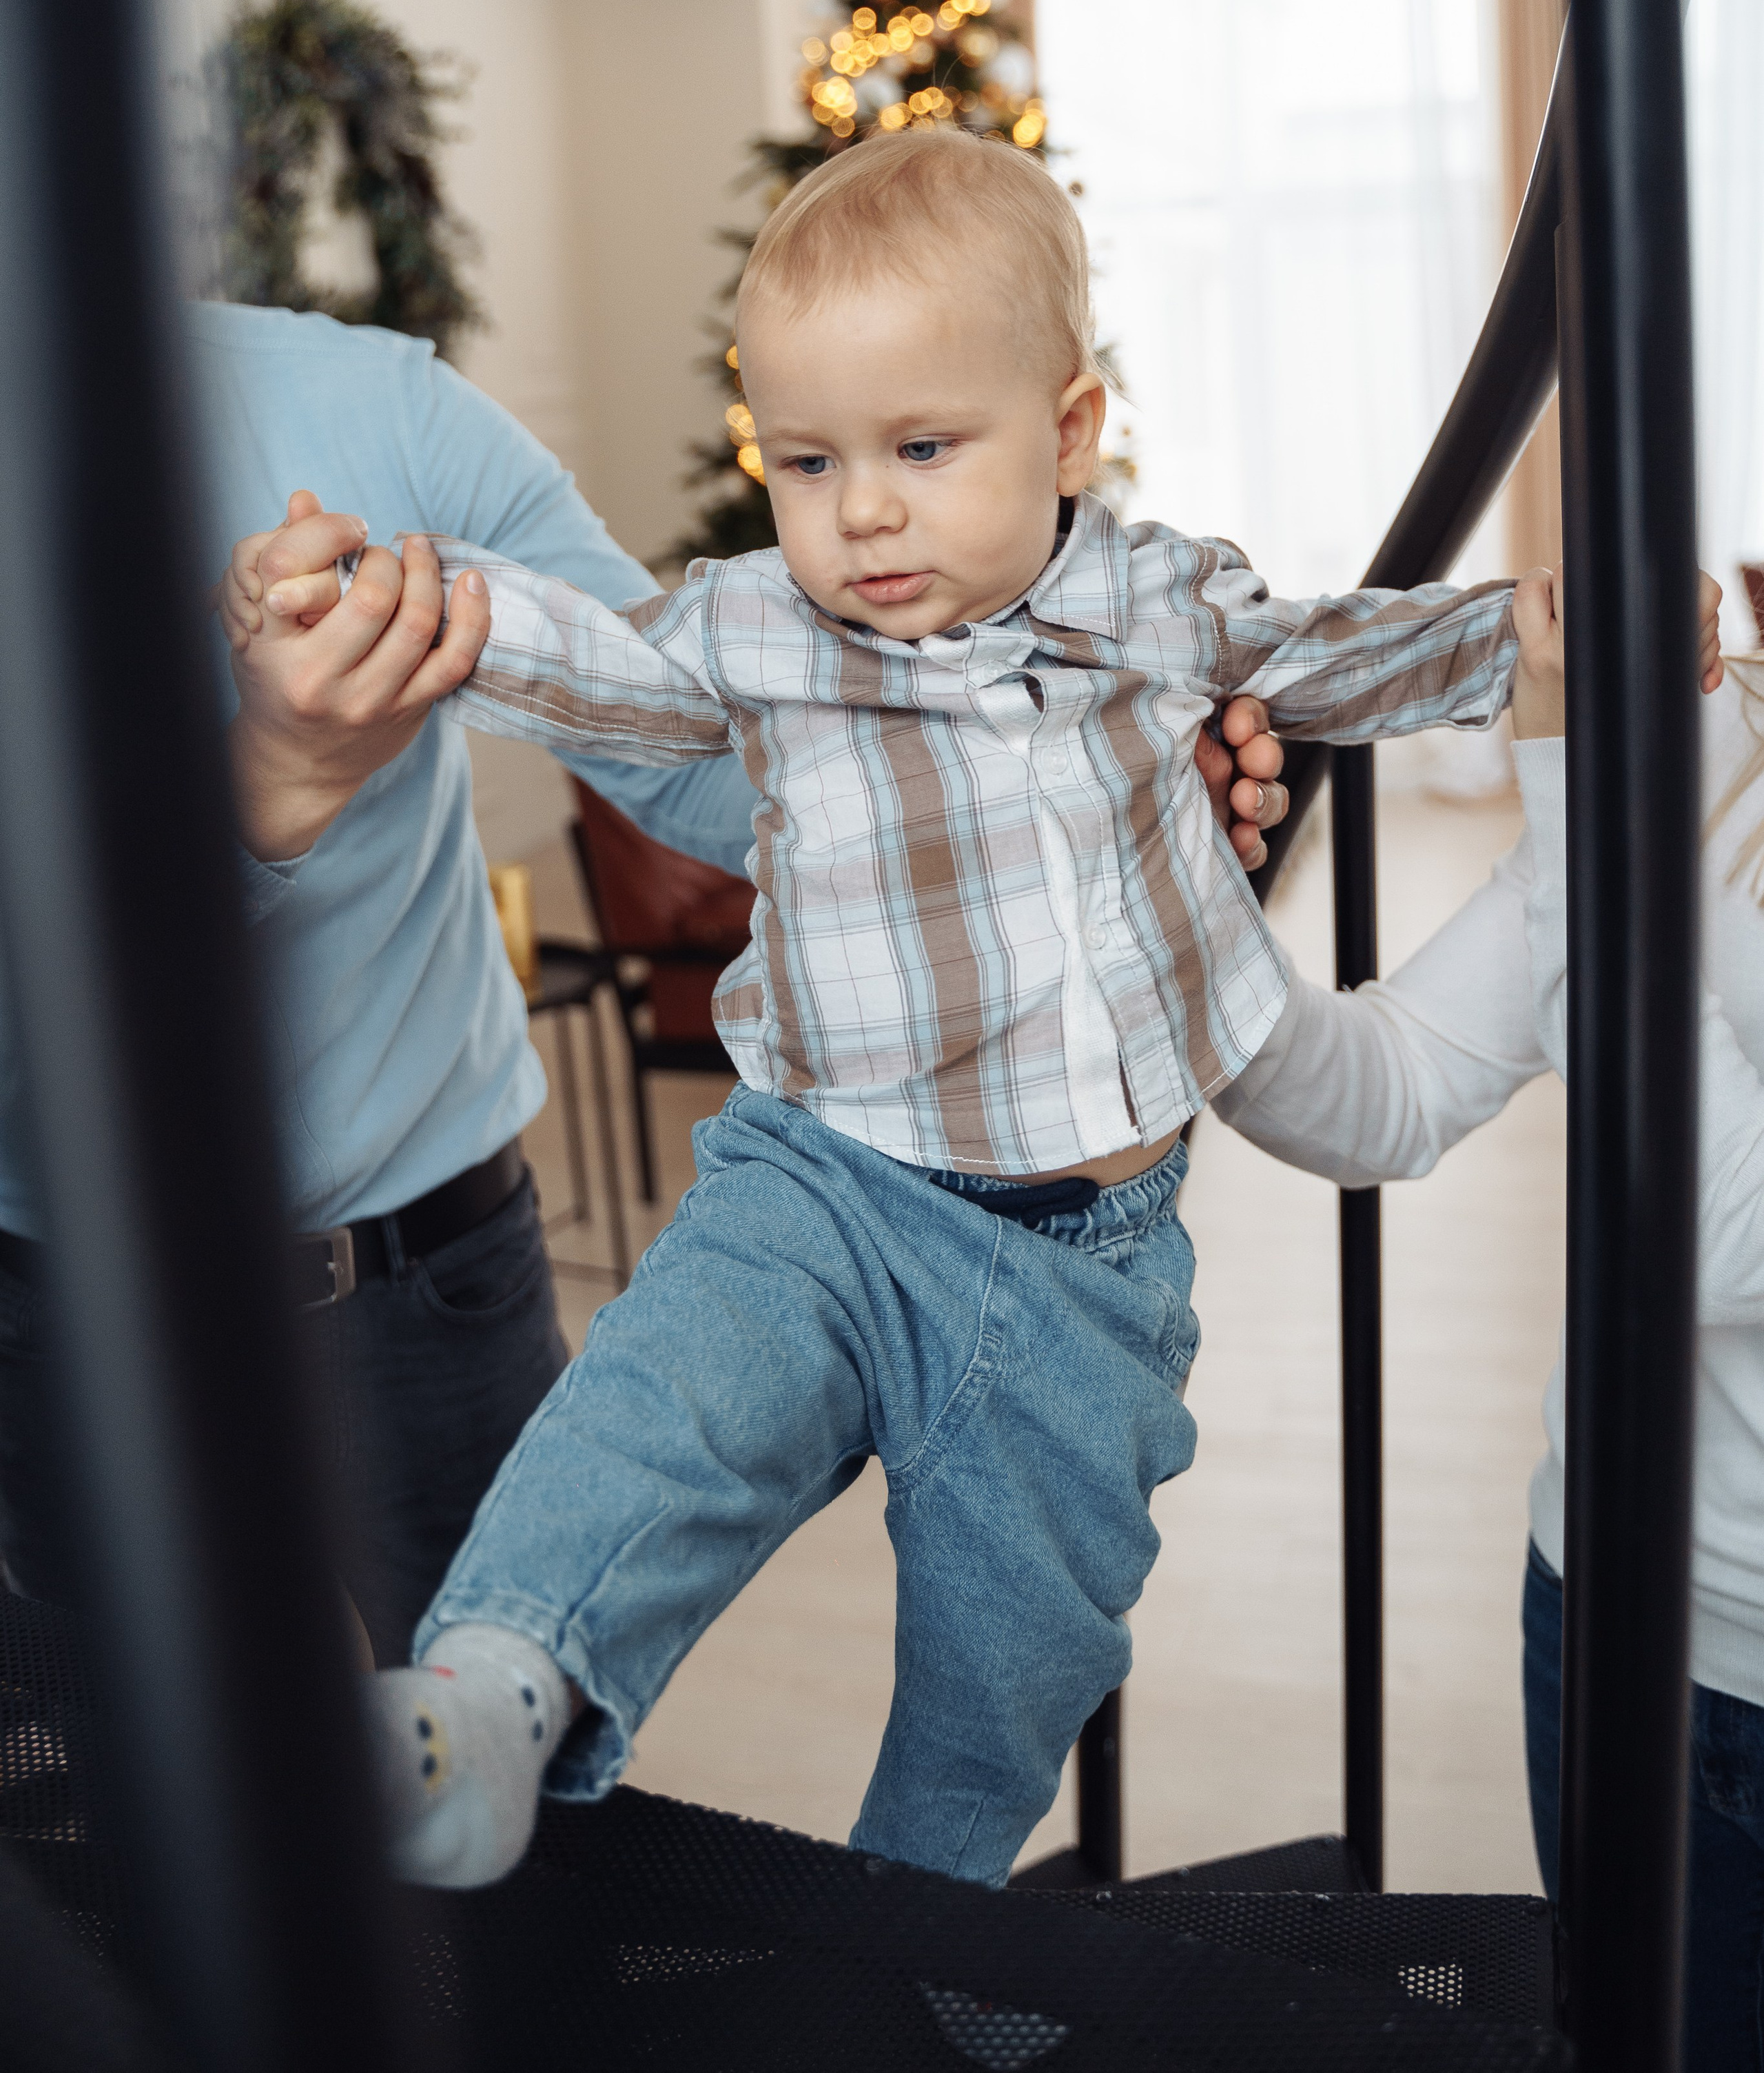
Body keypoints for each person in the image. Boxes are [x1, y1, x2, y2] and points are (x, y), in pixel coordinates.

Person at [237, 131, 1532, 1891]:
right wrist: (385, 595)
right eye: (806, 459)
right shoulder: (761, 630)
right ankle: (485, 1695)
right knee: (651, 1426)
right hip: (820, 1193)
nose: (859, 512)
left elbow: (1340, 649)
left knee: (1018, 1668)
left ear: (1068, 431)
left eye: (924, 450)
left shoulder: (1159, 606)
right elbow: (578, 649)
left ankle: (928, 1950)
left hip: (1086, 1268)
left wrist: (1532, 643)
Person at [0, 298, 763, 1662]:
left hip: (428, 1294)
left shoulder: (378, 407)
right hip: (66, 1326)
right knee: (126, 1842)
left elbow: (701, 764)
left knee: (527, 1809)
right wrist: (269, 785)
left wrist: (1070, 765)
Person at [1216, 572, 1760, 2068]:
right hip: (1598, 1613)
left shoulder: (1651, 755)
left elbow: (1705, 1228)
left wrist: (1571, 771)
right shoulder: (1726, 736)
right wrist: (1177, 905)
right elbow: (1383, 1087)